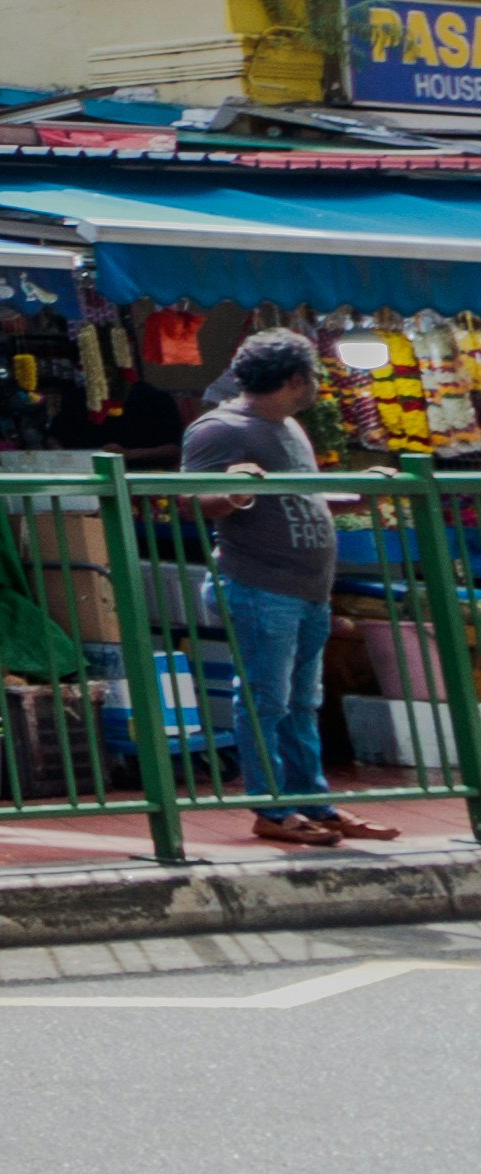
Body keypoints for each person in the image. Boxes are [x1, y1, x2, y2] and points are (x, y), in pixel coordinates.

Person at [187, 330, 382, 847]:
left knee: (301, 702)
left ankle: (313, 803)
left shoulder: (289, 427)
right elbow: (195, 500)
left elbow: (301, 497)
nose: (316, 385)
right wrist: (233, 490)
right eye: (313, 376)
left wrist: (356, 497)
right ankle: (273, 809)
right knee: (266, 701)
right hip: (259, 586)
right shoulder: (220, 428)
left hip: (305, 589)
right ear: (297, 379)